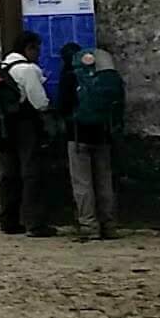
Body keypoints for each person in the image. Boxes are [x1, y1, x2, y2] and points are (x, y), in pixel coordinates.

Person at [56, 42, 125, 241]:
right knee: (104, 181)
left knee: (82, 183)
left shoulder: (70, 77)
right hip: (103, 134)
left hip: (77, 136)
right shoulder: (103, 76)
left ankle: (89, 226)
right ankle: (109, 225)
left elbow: (62, 106)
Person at [0, 30, 54, 237]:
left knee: (9, 173)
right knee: (32, 173)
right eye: (37, 49)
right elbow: (39, 102)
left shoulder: (3, 67)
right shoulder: (27, 70)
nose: (38, 54)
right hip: (25, 125)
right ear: (29, 48)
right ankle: (34, 222)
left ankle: (8, 220)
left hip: (5, 126)